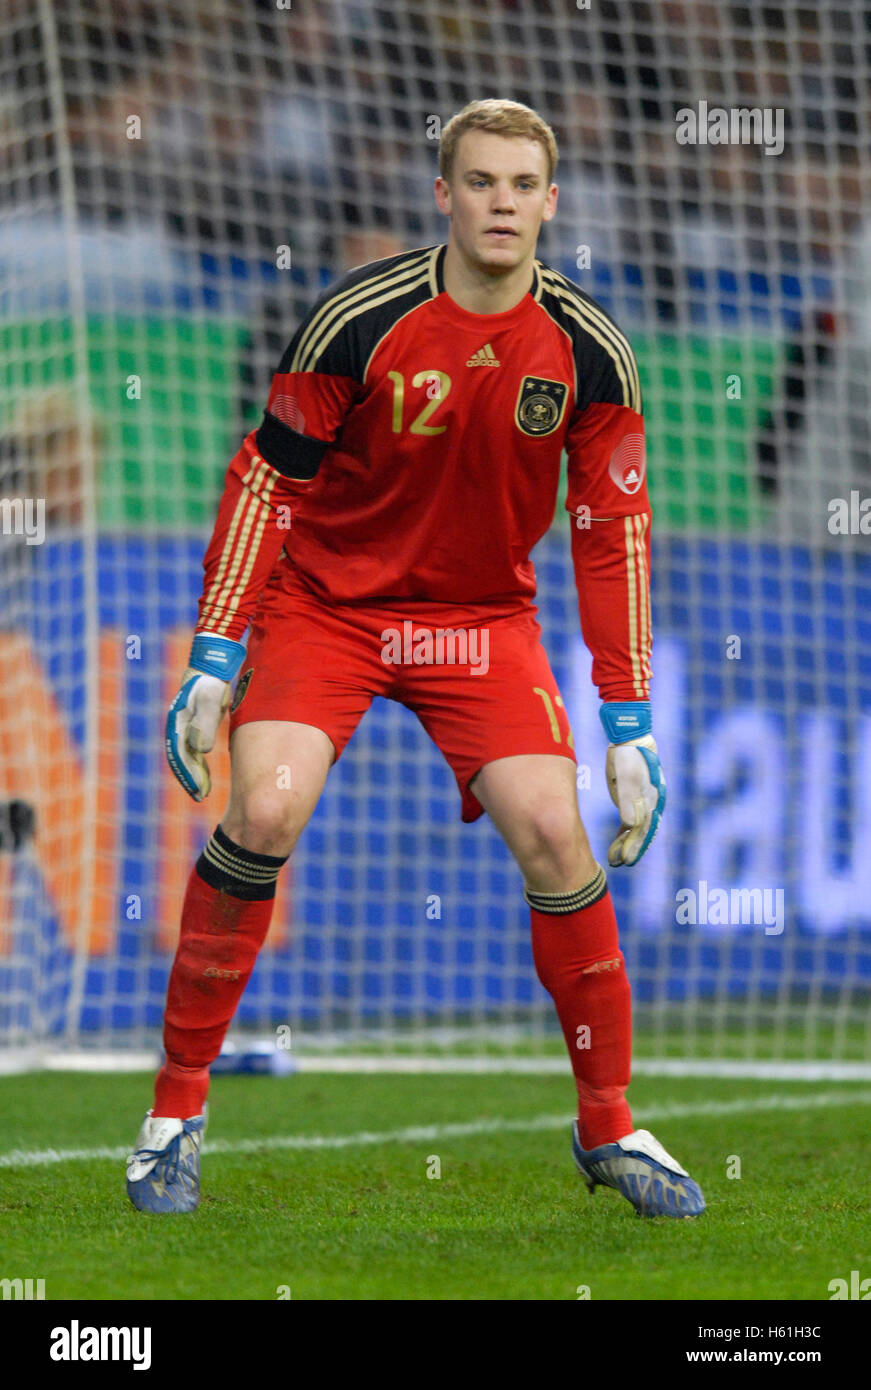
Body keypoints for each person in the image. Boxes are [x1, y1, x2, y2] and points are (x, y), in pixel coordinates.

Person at [126, 98, 704, 1219]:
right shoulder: (356, 318)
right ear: (443, 195)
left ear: (550, 200)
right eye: (479, 182)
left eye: (521, 186)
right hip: (328, 608)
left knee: (552, 827)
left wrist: (627, 720)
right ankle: (174, 1110)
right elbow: (266, 480)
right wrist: (212, 650)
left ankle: (609, 1124)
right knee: (265, 812)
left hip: (481, 621)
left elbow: (611, 533)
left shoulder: (593, 354)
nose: (501, 203)